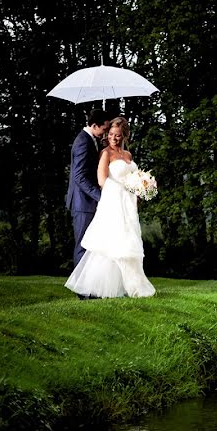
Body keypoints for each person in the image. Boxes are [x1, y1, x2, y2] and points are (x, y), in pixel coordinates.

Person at [65, 116, 156, 298]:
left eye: (118, 135)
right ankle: (94, 289)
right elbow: (102, 180)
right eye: (112, 134)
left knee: (127, 242)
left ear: (124, 136)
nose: (114, 138)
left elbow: (132, 178)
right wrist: (123, 192)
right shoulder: (105, 153)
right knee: (111, 243)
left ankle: (128, 285)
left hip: (128, 206)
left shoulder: (128, 155)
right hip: (114, 203)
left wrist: (141, 187)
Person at [66, 108, 112, 269]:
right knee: (83, 245)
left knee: (92, 244)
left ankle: (89, 286)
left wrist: (101, 146)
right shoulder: (82, 142)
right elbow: (79, 177)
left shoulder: (91, 139)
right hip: (82, 203)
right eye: (104, 129)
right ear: (94, 125)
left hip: (87, 203)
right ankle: (82, 291)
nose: (105, 133)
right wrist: (101, 196)